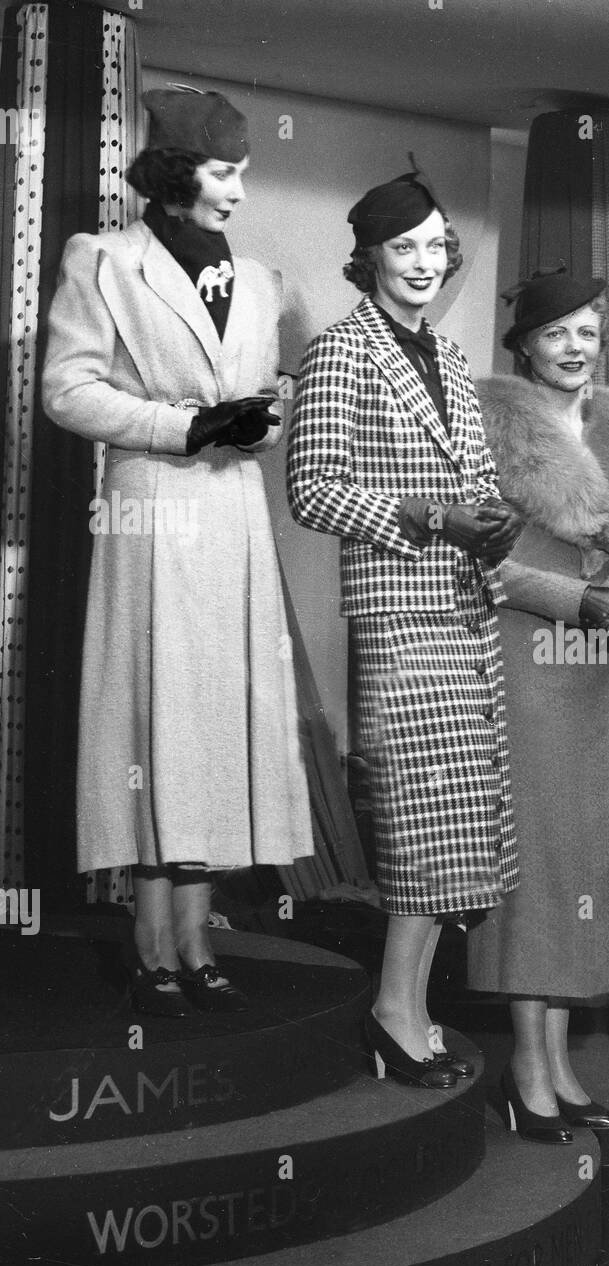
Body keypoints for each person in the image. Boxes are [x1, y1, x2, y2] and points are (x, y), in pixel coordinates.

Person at [41, 88, 313, 1016]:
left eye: (242, 172)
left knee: (219, 727)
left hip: (234, 513)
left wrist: (258, 421)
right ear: (176, 172)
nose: (237, 190)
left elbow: (273, 392)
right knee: (157, 724)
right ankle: (151, 943)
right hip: (152, 511)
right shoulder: (104, 260)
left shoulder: (265, 280)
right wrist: (186, 425)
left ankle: (198, 941)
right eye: (223, 171)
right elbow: (68, 391)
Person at [287, 167, 523, 1089]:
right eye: (403, 246)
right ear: (370, 257)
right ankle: (394, 1012)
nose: (423, 262)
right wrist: (427, 515)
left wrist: (491, 515)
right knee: (422, 823)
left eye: (434, 245)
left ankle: (410, 1009)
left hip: (463, 608)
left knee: (456, 826)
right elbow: (313, 489)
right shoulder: (341, 351)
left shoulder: (450, 357)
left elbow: (472, 480)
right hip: (397, 612)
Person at [466, 268, 609, 1141]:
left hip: (608, 675)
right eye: (555, 333)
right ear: (524, 346)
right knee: (541, 864)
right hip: (531, 667)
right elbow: (479, 561)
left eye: (587, 331)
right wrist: (572, 599)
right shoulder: (484, 423)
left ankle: (557, 1067)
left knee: (590, 862)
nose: (574, 347)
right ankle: (526, 1070)